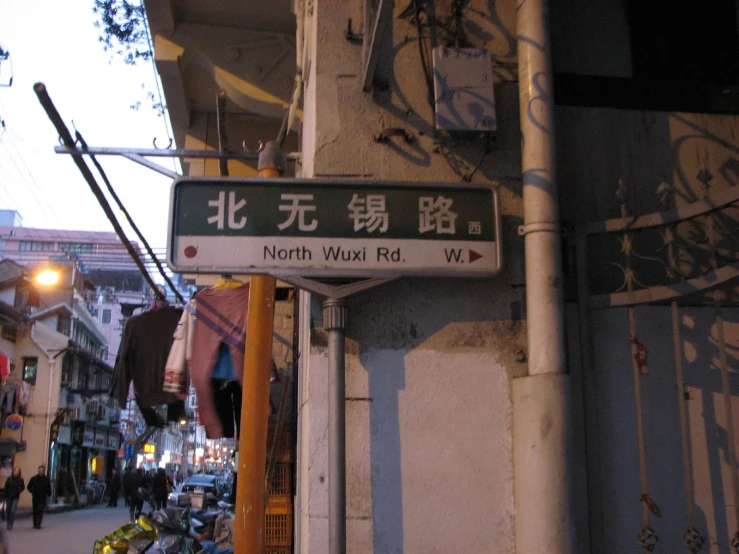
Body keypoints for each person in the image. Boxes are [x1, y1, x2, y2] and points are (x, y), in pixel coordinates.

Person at [27, 465, 51, 529]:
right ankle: (35, 523)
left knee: (40, 510)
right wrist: (32, 492)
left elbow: (48, 488)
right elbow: (29, 487)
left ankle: (38, 524)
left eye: (42, 471)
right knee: (35, 510)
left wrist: (49, 494)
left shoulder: (46, 479)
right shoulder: (33, 478)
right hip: (35, 497)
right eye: (39, 470)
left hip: (42, 497)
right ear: (38, 471)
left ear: (44, 471)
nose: (40, 472)